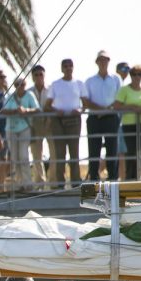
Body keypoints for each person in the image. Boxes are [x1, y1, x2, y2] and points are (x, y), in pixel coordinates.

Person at [44, 58, 84, 189]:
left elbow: (85, 103)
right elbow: (47, 106)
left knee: (74, 153)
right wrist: (56, 110)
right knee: (60, 153)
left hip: (74, 120)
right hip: (58, 121)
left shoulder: (78, 83)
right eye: (65, 66)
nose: (68, 68)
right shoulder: (55, 84)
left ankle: (76, 183)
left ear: (73, 67)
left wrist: (79, 110)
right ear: (62, 69)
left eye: (70, 66)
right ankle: (60, 184)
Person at [83, 50, 121, 182]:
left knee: (112, 149)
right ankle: (94, 177)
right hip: (94, 119)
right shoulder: (89, 81)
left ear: (109, 61)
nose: (103, 62)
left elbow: (119, 99)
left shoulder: (116, 79)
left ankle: (113, 178)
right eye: (100, 60)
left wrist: (105, 111)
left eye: (105, 59)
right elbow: (85, 101)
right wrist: (100, 111)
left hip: (111, 118)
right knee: (94, 149)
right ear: (96, 62)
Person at [114, 64, 141, 180]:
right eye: (134, 74)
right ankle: (129, 178)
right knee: (131, 153)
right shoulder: (124, 90)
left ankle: (138, 177)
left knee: (140, 153)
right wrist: (132, 107)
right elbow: (116, 106)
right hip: (129, 125)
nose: (137, 77)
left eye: (140, 74)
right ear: (131, 75)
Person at [0, 75, 40, 191]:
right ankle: (19, 183)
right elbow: (3, 110)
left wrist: (26, 110)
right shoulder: (10, 97)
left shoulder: (29, 95)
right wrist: (15, 111)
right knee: (15, 157)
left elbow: (37, 109)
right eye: (17, 85)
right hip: (11, 129)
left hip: (24, 128)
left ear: (25, 85)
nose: (20, 87)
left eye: (22, 84)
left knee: (23, 155)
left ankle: (27, 182)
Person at [28, 65, 50, 190]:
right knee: (36, 155)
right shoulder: (29, 92)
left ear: (44, 75)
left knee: (54, 153)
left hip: (49, 122)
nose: (39, 77)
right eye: (36, 75)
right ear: (32, 77)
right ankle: (39, 183)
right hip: (34, 124)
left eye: (41, 74)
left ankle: (54, 182)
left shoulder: (50, 90)